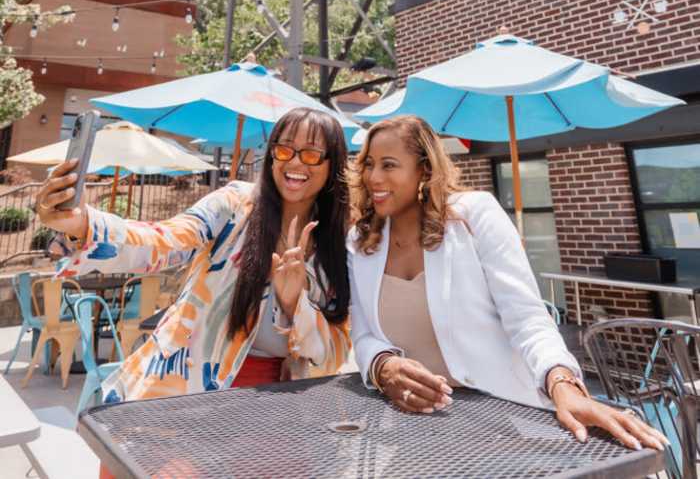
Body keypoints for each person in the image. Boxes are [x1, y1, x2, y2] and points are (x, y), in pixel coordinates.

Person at [347, 115, 667, 453]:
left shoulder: (474, 215)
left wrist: (563, 384)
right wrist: (385, 368)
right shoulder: (360, 241)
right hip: (414, 431)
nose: (374, 177)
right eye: (368, 164)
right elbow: (365, 334)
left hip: (505, 419)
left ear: (425, 170)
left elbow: (527, 319)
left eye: (389, 165)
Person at [34, 107, 351, 403]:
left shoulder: (341, 248)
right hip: (186, 387)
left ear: (332, 165)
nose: (295, 162)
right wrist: (84, 225)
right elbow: (165, 241)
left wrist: (296, 304)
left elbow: (335, 352)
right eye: (284, 149)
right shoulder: (233, 206)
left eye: (311, 154)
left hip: (283, 405)